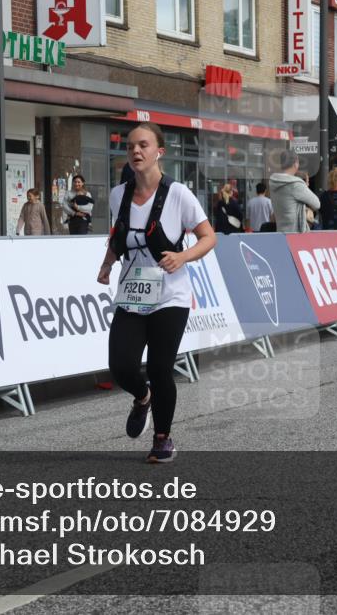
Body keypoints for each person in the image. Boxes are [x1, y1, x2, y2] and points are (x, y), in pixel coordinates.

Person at [97, 123, 216, 463]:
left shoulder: (178, 194)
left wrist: (182, 256)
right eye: (131, 146)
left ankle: (162, 438)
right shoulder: (120, 194)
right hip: (132, 294)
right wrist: (106, 265)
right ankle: (142, 397)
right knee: (120, 366)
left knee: (161, 367)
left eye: (143, 145)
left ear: (158, 152)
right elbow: (118, 237)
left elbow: (209, 237)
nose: (136, 151)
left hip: (170, 297)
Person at [268, 149, 320, 233]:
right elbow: (317, 204)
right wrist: (304, 188)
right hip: (295, 235)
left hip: (280, 232)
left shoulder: (274, 182)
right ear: (296, 163)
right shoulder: (296, 184)